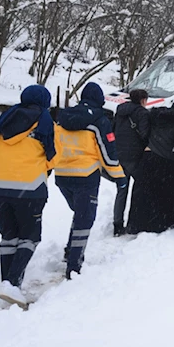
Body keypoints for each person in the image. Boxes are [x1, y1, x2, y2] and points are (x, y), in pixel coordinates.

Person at [0, 85, 55, 308]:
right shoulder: (44, 120)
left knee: (9, 236)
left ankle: (8, 284)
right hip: (29, 188)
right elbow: (52, 156)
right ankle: (11, 283)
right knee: (30, 237)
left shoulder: (5, 119)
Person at [54, 82, 126, 279]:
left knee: (80, 214)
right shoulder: (99, 121)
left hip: (62, 175)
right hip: (85, 176)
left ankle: (70, 250)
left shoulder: (62, 118)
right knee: (85, 218)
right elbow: (108, 153)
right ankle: (74, 265)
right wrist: (119, 177)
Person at [127, 96, 174, 234]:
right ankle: (163, 223)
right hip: (167, 161)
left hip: (148, 157)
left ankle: (137, 224)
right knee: (168, 194)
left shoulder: (158, 116)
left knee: (143, 194)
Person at [112, 89, 150, 237]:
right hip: (135, 156)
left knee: (122, 190)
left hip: (120, 154)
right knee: (140, 189)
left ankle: (117, 224)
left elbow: (113, 130)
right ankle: (136, 222)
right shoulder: (143, 113)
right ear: (142, 100)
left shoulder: (120, 111)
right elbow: (145, 134)